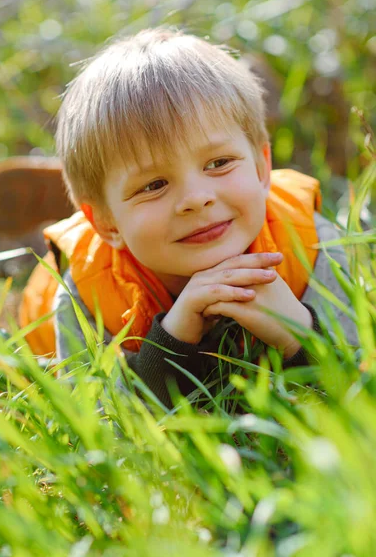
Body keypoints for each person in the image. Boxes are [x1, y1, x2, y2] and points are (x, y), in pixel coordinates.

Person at [19, 27, 357, 409]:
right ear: (107, 224)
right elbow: (103, 426)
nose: (196, 200)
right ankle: (32, 221)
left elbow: (355, 385)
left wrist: (299, 334)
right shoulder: (85, 287)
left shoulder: (308, 241)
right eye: (154, 184)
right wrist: (170, 342)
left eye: (218, 163)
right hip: (40, 319)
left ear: (263, 169)